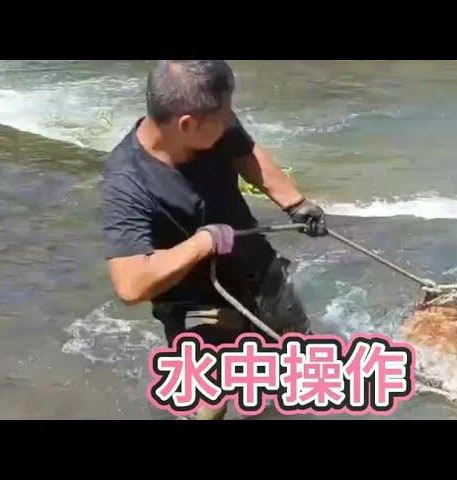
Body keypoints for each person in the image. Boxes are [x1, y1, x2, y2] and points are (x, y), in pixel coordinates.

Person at [101, 60, 327, 420]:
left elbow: (246, 153)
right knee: (205, 401)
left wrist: (296, 203)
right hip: (196, 301)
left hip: (258, 271)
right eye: (224, 115)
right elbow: (129, 284)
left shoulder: (211, 122)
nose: (231, 120)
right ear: (186, 124)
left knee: (297, 372)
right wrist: (201, 243)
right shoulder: (127, 182)